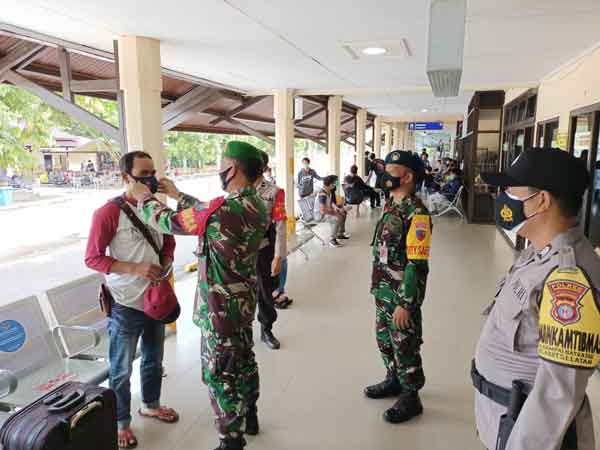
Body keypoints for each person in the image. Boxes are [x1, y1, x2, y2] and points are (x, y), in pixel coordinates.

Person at [130, 141, 268, 450]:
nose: (219, 169)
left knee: (220, 374)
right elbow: (207, 214)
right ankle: (251, 413)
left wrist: (146, 198)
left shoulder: (225, 209)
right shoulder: (254, 204)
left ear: (233, 169)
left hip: (220, 311)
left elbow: (171, 222)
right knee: (244, 359)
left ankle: (231, 440)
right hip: (242, 303)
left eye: (222, 164)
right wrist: (178, 195)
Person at [472, 148, 600, 450]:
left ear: (541, 200)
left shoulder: (570, 280)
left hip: (529, 434)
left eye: (511, 189)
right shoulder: (537, 252)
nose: (504, 196)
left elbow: (559, 393)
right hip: (504, 417)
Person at [85, 151, 179, 449]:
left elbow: (170, 240)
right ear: (126, 178)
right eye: (143, 174)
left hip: (155, 300)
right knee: (121, 368)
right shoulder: (108, 213)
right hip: (125, 303)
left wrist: (165, 261)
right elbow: (93, 258)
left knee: (154, 360)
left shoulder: (155, 207)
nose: (150, 179)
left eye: (153, 172)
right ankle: (120, 423)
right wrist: (134, 268)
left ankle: (151, 404)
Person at [364, 150, 432, 424]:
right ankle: (393, 378)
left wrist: (406, 303)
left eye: (391, 170)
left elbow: (417, 264)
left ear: (408, 176)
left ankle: (410, 395)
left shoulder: (417, 214)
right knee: (384, 340)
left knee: (405, 344)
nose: (385, 174)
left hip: (401, 294)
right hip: (383, 290)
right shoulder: (391, 205)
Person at [254, 151, 288, 349]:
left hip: (263, 250)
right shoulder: (237, 188)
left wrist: (278, 257)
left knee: (266, 293)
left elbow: (280, 225)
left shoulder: (274, 192)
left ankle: (266, 329)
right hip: (240, 253)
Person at [314, 175, 349, 248]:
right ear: (329, 185)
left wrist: (337, 208)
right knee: (336, 218)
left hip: (326, 211)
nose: (335, 185)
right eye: (333, 183)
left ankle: (340, 234)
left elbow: (331, 203)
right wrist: (335, 213)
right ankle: (332, 240)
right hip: (320, 215)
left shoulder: (327, 191)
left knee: (343, 213)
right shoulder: (322, 194)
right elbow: (322, 210)